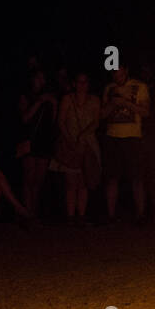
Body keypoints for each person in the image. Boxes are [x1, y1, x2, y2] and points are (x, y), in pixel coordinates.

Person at [102, 63, 150, 224]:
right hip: (112, 137)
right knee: (112, 178)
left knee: (137, 177)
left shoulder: (139, 87)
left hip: (132, 137)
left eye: (120, 74)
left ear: (126, 71)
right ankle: (110, 215)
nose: (118, 78)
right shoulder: (109, 88)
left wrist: (126, 103)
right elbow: (102, 115)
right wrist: (113, 103)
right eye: (115, 75)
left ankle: (140, 215)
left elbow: (145, 112)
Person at [52, 72, 102, 226]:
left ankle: (81, 215)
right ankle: (70, 216)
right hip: (70, 142)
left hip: (88, 143)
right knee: (71, 182)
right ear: (74, 84)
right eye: (79, 82)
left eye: (85, 82)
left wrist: (83, 135)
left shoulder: (94, 100)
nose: (82, 85)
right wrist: (70, 140)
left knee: (84, 181)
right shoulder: (67, 99)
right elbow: (60, 121)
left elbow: (96, 122)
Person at [17, 69, 58, 219]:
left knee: (38, 181)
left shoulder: (50, 97)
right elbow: (25, 118)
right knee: (28, 179)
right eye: (39, 78)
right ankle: (26, 212)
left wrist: (53, 104)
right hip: (30, 140)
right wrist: (39, 101)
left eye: (43, 78)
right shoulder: (26, 96)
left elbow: (53, 121)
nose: (42, 81)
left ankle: (33, 211)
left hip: (44, 141)